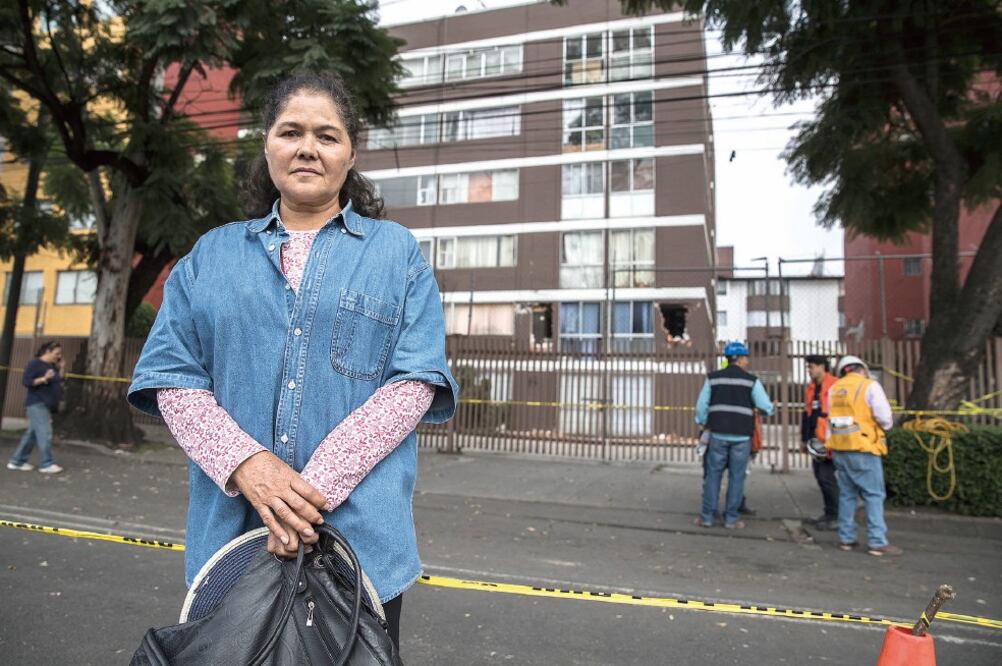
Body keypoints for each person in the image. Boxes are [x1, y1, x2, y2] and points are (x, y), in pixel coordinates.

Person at [127, 72, 458, 652]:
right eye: (291, 132)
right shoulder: (211, 254)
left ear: (351, 154)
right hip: (233, 547)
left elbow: (413, 383)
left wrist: (305, 496)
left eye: (327, 136)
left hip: (361, 548)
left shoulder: (396, 253)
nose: (308, 148)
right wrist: (248, 466)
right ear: (267, 144)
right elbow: (171, 377)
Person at [827, 355, 902, 556]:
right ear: (863, 369)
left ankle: (846, 539)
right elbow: (884, 417)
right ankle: (877, 542)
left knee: (847, 495)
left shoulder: (834, 389)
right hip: (863, 448)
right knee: (874, 495)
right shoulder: (869, 386)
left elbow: (830, 419)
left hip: (840, 448)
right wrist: (884, 426)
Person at [694, 341, 774, 529]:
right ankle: (731, 520)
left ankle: (707, 518)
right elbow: (766, 407)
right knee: (737, 478)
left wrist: (703, 422)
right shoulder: (751, 381)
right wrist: (768, 410)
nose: (747, 361)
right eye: (745, 357)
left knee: (713, 476)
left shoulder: (712, 378)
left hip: (718, 435)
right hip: (741, 438)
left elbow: (701, 406)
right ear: (738, 358)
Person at [7, 341, 64, 474]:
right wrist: (44, 378)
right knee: (45, 432)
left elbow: (57, 380)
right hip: (36, 403)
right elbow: (27, 382)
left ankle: (17, 461)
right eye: (57, 353)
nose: (59, 356)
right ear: (48, 351)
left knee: (32, 434)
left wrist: (61, 367)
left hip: (46, 404)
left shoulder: (52, 366)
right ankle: (46, 463)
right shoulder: (35, 364)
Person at [801, 355, 838, 530]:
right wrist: (804, 439)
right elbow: (807, 414)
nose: (809, 370)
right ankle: (829, 513)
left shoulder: (835, 385)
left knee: (826, 477)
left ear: (822, 366)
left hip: (830, 438)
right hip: (816, 438)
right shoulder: (811, 388)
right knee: (820, 477)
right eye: (808, 367)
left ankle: (837, 516)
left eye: (811, 367)